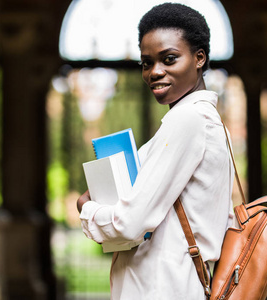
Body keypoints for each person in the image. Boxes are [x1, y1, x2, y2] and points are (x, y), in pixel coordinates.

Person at [77, 3, 234, 299]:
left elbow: (130, 224)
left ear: (199, 58)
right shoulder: (206, 121)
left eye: (169, 59)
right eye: (146, 63)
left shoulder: (189, 119)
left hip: (164, 288)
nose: (154, 72)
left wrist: (87, 208)